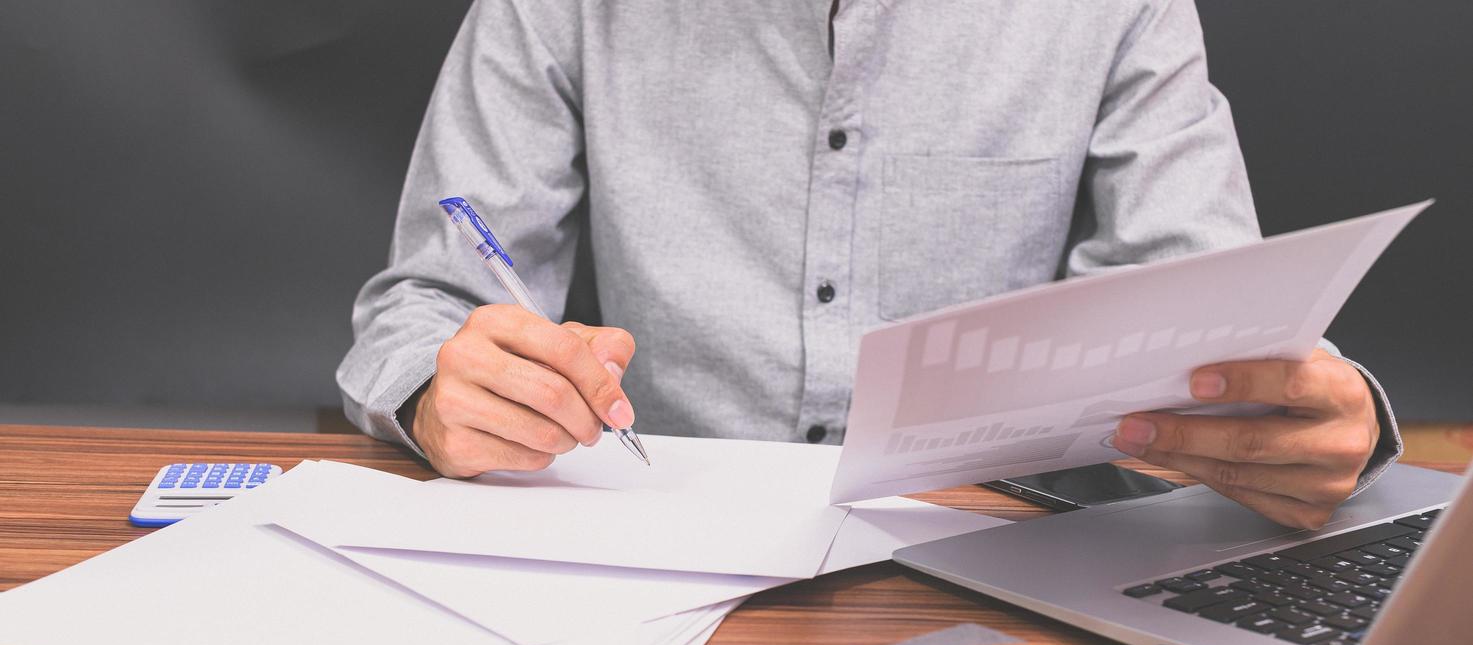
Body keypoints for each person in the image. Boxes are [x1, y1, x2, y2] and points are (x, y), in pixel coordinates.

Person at [339, 0, 1400, 530]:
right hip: (657, 548)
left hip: (999, 565)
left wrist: (1295, 418)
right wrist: (440, 383)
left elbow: (1215, 334)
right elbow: (427, 303)